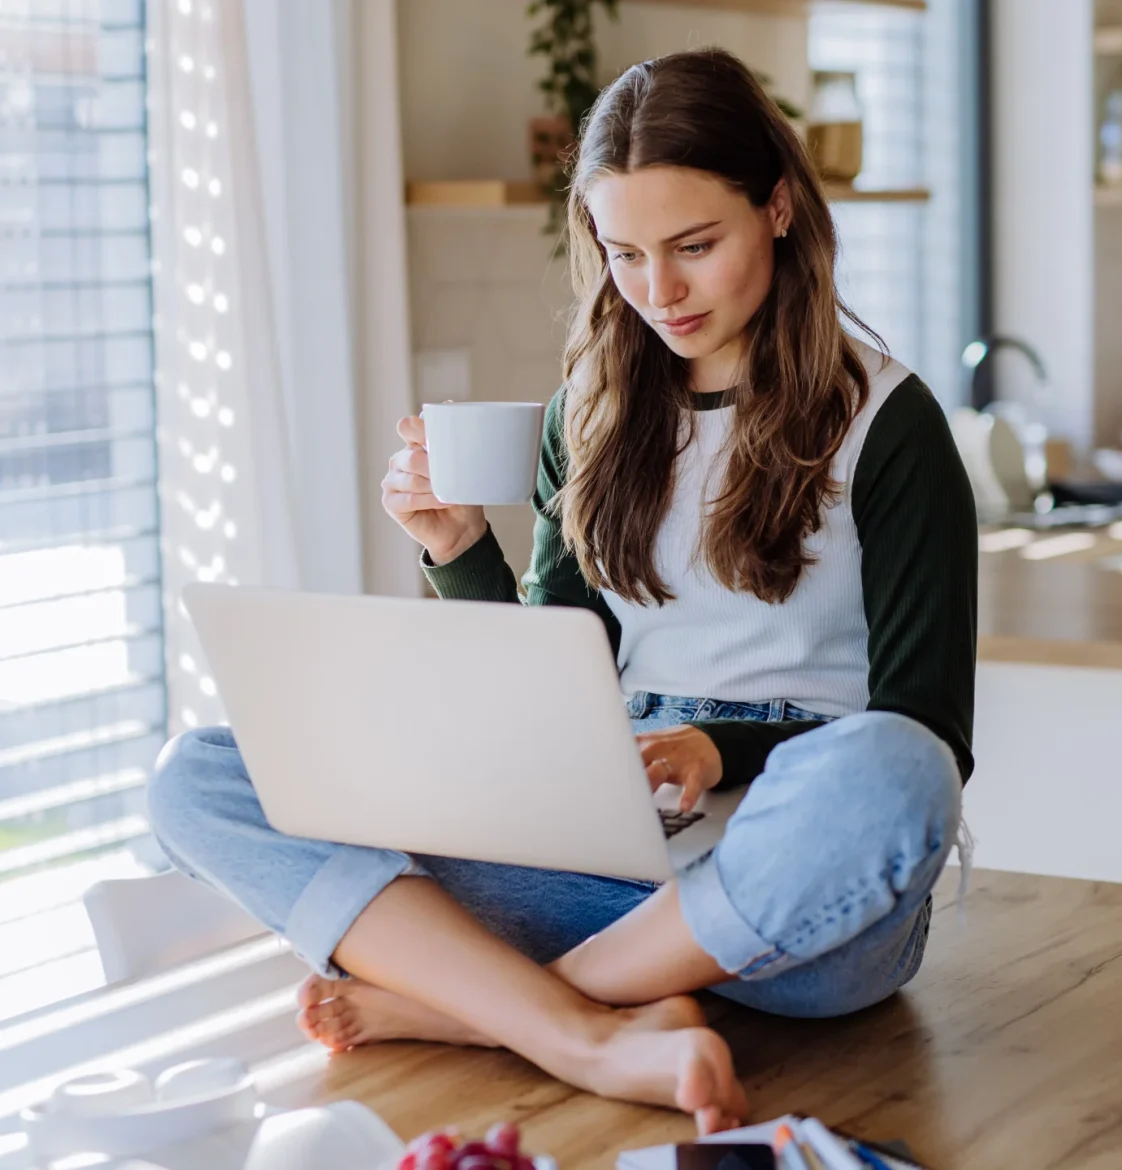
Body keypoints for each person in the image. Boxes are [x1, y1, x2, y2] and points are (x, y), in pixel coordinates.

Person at [148, 47, 977, 1134]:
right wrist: (456, 553)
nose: (659, 292)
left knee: (896, 770)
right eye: (624, 253)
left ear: (778, 205)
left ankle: (488, 1009)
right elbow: (548, 688)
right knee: (199, 777)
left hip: (788, 901)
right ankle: (580, 1027)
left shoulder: (891, 426)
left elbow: (929, 730)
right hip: (599, 861)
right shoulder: (585, 417)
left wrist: (721, 748)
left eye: (694, 246)